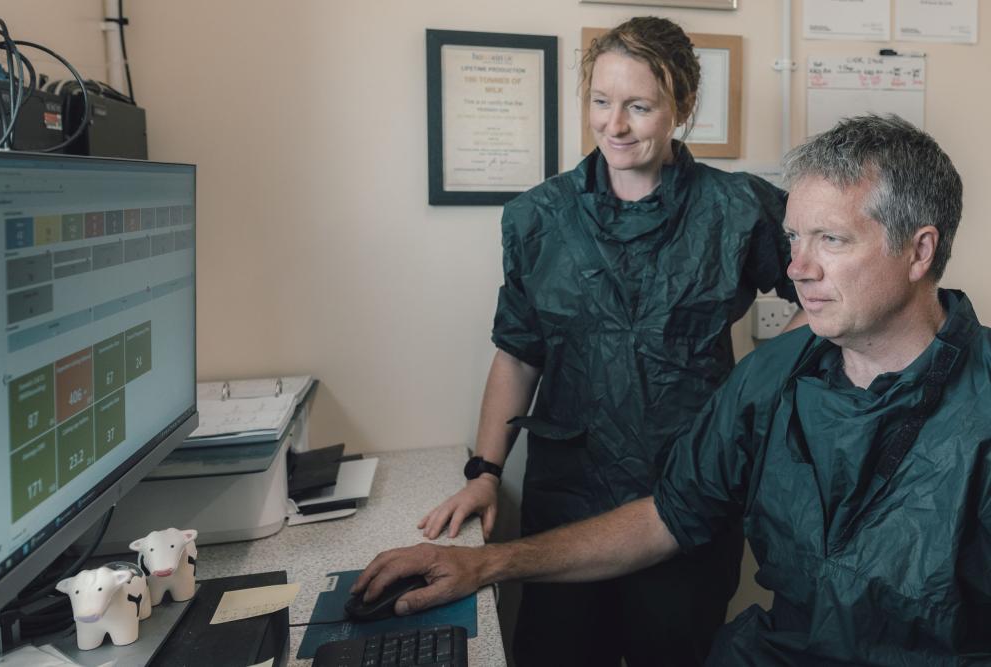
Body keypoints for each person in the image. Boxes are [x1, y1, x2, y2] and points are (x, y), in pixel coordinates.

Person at [356, 114, 991, 665]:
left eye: (832, 239)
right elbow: (666, 516)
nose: (798, 268)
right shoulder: (775, 377)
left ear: (919, 251)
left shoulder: (979, 404)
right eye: (794, 237)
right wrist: (485, 565)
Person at [416, 16, 798, 666]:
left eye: (638, 106)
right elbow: (517, 352)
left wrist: (757, 391)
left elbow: (826, 291)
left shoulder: (737, 210)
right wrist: (484, 473)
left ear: (683, 106)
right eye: (600, 101)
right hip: (567, 499)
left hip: (687, 495)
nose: (613, 125)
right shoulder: (538, 219)